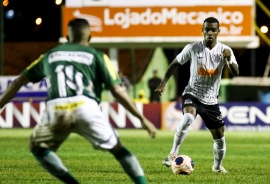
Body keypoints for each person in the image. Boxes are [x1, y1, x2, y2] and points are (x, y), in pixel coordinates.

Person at [0, 18, 157, 184]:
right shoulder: (98, 56)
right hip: (86, 106)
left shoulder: (49, 55)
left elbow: (18, 82)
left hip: (56, 107)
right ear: (89, 38)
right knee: (118, 149)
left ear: (67, 38)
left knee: (37, 148)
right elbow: (117, 90)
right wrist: (142, 119)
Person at [155, 17, 239, 174]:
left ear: (218, 32)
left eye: (213, 30)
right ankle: (173, 153)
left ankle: (217, 167)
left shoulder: (225, 50)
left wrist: (228, 59)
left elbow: (235, 73)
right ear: (203, 30)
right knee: (188, 117)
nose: (210, 33)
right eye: (207, 29)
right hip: (192, 93)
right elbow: (175, 63)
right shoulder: (192, 48)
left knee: (219, 136)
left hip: (211, 101)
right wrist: (163, 83)